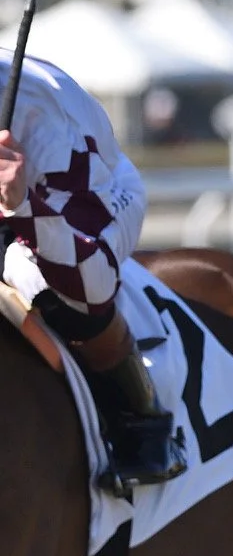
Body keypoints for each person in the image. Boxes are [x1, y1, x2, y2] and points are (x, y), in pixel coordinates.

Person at [0, 55, 187, 495]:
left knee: (30, 274)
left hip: (82, 199)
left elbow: (92, 283)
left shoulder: (41, 114)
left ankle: (141, 423)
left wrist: (20, 203)